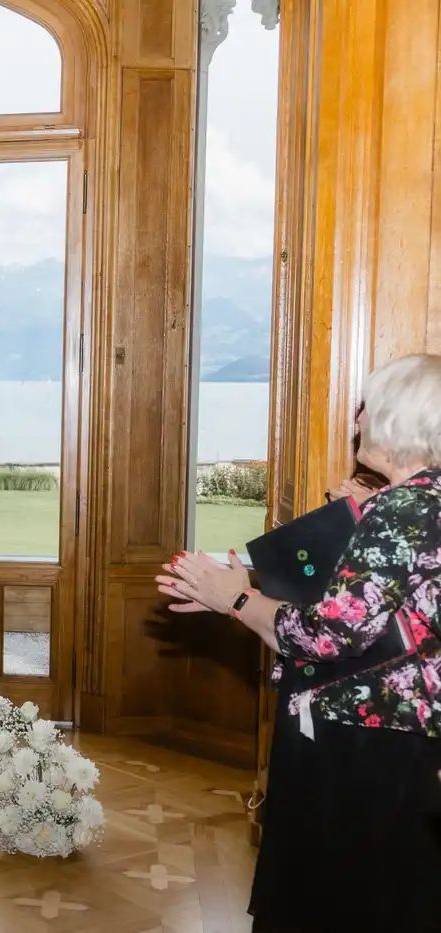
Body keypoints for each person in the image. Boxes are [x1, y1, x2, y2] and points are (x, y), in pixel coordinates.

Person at [158, 353, 441, 931]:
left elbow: (330, 634)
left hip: (362, 740)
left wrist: (236, 599)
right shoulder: (421, 502)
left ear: (396, 418)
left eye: (367, 407)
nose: (357, 420)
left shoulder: (402, 509)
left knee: (335, 901)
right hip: (401, 737)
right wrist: (240, 594)